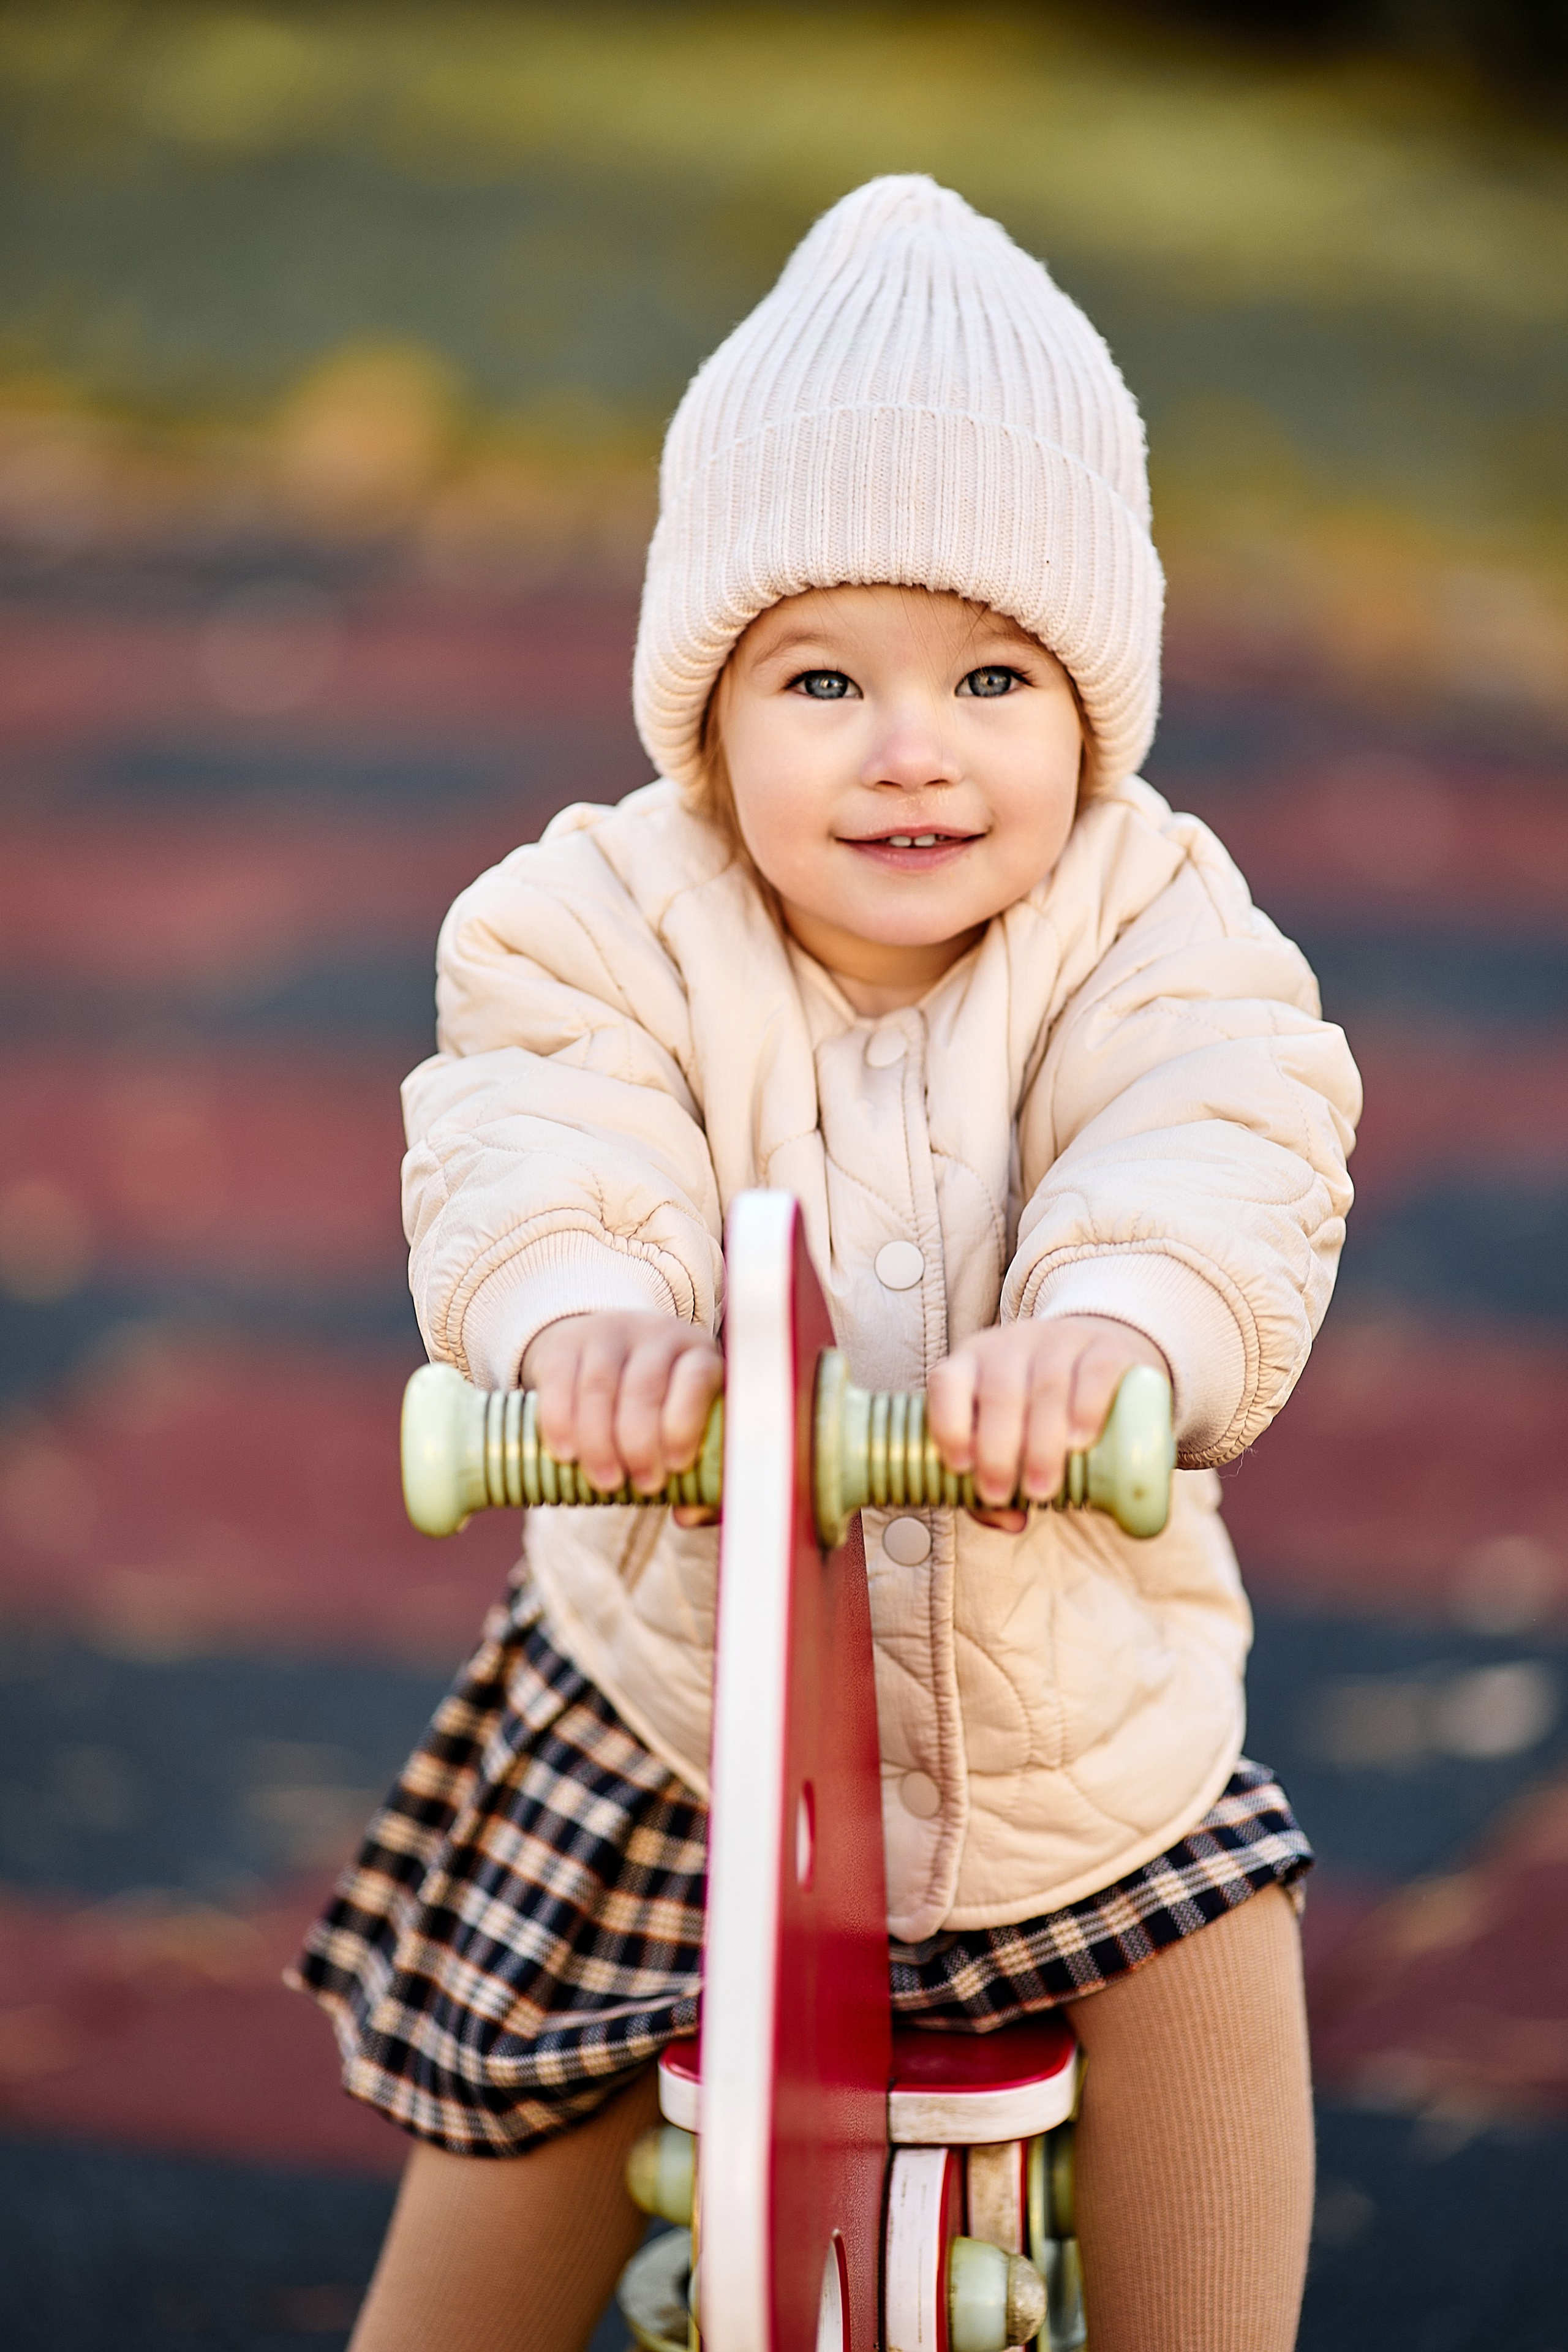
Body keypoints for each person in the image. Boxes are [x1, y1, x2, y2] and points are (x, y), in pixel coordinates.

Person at [293, 176, 1360, 2352]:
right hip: (678, 1703)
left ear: (1092, 704)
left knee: (1208, 1962)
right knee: (515, 2161)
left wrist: (1110, 1326)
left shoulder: (1156, 924)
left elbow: (1223, 1126)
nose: (912, 745)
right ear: (709, 709)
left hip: (1066, 1719)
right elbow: (535, 1115)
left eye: (989, 673)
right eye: (822, 675)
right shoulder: (600, 911)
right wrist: (575, 1321)